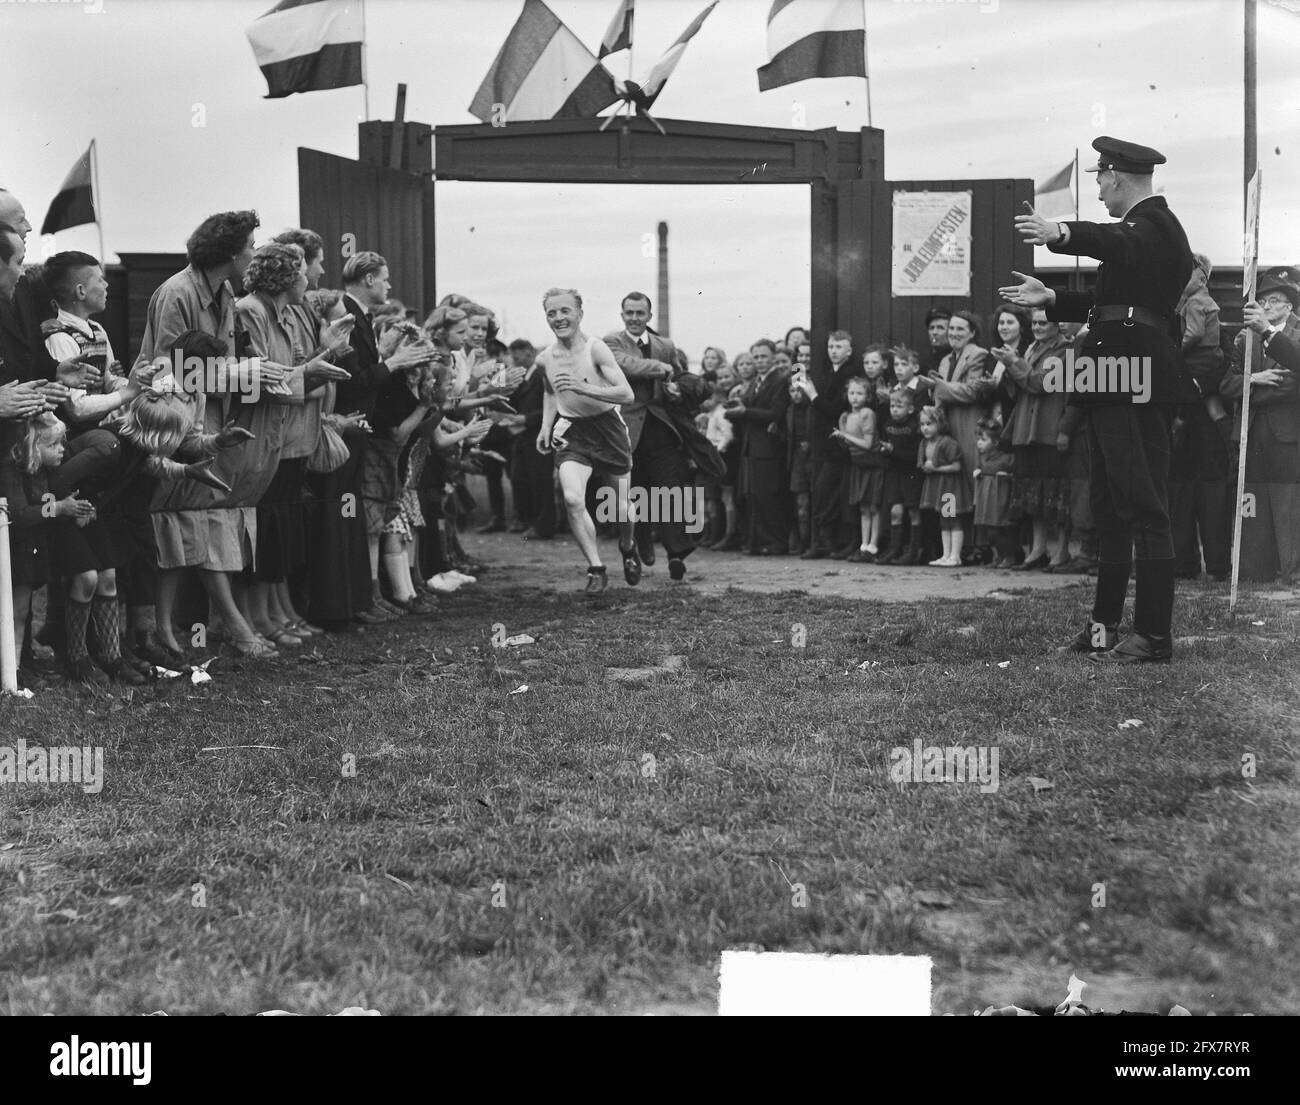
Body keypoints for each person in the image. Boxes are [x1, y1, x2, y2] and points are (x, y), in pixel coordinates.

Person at [1004, 135, 1196, 663]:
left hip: (1130, 374)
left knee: (1142, 506)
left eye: (1101, 179)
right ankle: (1102, 630)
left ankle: (1153, 636)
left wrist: (1059, 232)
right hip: (1114, 373)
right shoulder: (1149, 231)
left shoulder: (1151, 225)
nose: (1100, 189)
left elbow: (1118, 243)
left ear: (1115, 176)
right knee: (1112, 509)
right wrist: (1054, 298)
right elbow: (1113, 301)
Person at [535, 288, 636, 594]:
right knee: (572, 498)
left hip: (607, 428)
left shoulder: (597, 349)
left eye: (565, 311)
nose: (558, 318)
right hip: (572, 431)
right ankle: (596, 568)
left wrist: (584, 388)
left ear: (579, 313)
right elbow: (551, 391)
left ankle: (627, 545)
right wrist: (545, 426)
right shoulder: (545, 358)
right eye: (551, 313)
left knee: (622, 507)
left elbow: (626, 394)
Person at [604, 292, 705, 578]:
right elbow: (625, 365)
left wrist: (676, 391)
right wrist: (661, 369)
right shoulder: (611, 342)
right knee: (635, 491)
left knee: (670, 489)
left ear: (649, 316)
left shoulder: (666, 345)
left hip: (661, 427)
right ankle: (640, 539)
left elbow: (682, 379)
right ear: (622, 315)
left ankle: (676, 553)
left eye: (640, 313)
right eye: (629, 313)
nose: (635, 319)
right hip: (626, 429)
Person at [1220, 269, 1300, 585]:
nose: (1266, 306)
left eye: (1275, 300)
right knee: (1250, 501)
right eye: (1264, 300)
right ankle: (1255, 568)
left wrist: (1251, 390)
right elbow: (1226, 385)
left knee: (1286, 504)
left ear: (1290, 307)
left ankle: (1290, 571)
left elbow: (1290, 385)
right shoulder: (1245, 338)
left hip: (1287, 433)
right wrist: (1255, 379)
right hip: (1251, 432)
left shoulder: (1295, 339)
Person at [992, 308, 1071, 571]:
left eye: (1043, 323)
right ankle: (1038, 550)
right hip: (1027, 429)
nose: (1037, 327)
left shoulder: (1064, 351)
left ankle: (1060, 551)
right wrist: (1011, 367)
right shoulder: (1031, 349)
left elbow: (1040, 383)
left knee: (1056, 494)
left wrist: (1013, 365)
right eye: (1034, 322)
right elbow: (1021, 388)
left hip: (1048, 429)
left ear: (1056, 325)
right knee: (1033, 494)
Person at [1170, 252, 1231, 581]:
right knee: (1179, 491)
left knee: (1210, 494)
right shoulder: (1181, 307)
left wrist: (1197, 388)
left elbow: (1220, 363)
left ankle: (1218, 564)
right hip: (1184, 423)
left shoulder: (1198, 309)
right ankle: (1183, 563)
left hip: (1205, 429)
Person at [793, 329, 857, 559]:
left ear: (849, 350)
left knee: (827, 493)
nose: (833, 351)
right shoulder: (827, 371)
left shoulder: (850, 373)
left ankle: (827, 543)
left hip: (837, 443)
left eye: (839, 347)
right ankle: (823, 542)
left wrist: (813, 396)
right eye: (831, 347)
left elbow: (835, 409)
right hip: (820, 442)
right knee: (821, 493)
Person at [726, 338, 790, 555]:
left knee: (769, 497)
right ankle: (757, 542)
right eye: (756, 357)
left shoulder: (781, 380)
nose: (760, 361)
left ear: (773, 356)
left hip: (769, 448)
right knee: (753, 497)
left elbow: (776, 413)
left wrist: (745, 412)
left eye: (764, 356)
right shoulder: (755, 382)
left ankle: (775, 543)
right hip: (752, 447)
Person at [832, 377, 884, 562]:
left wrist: (845, 435)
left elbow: (868, 444)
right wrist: (841, 438)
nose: (854, 397)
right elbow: (848, 446)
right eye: (851, 393)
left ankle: (873, 545)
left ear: (868, 396)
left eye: (860, 393)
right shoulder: (845, 416)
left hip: (872, 464)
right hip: (858, 465)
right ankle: (864, 545)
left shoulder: (867, 413)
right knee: (863, 507)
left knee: (873, 506)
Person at [877, 386, 924, 565]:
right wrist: (884, 451)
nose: (894, 409)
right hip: (894, 473)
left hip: (911, 474)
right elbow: (883, 447)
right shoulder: (888, 425)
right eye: (892, 406)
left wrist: (893, 451)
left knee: (913, 511)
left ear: (910, 409)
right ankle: (894, 548)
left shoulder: (915, 427)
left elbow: (914, 456)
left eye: (899, 406)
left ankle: (914, 550)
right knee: (895, 511)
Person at [918, 404, 968, 567]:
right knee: (943, 520)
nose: (925, 428)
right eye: (922, 424)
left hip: (949, 487)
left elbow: (956, 466)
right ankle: (946, 555)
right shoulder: (924, 444)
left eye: (929, 424)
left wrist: (936, 468)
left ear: (940, 424)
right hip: (937, 487)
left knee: (952, 519)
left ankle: (955, 556)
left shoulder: (947, 442)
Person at [972, 417, 1017, 568]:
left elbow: (1015, 472)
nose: (979, 443)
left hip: (1000, 498)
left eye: (983, 439)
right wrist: (978, 472)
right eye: (978, 439)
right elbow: (979, 469)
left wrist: (1008, 476)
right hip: (986, 499)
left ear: (995, 442)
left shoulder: (1006, 459)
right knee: (990, 531)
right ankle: (999, 556)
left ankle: (1008, 556)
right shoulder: (982, 459)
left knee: (1002, 529)